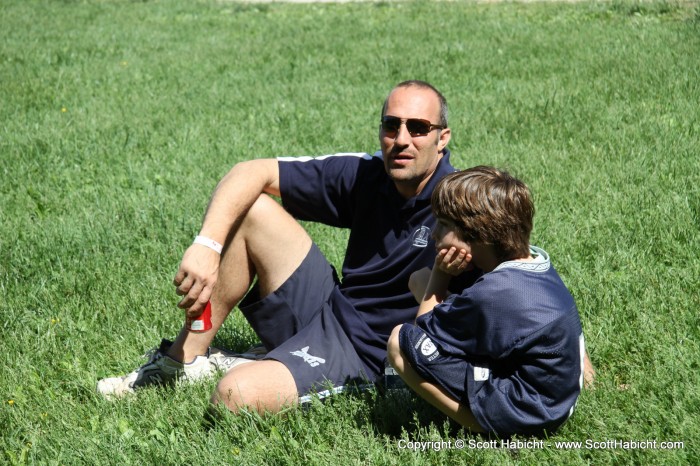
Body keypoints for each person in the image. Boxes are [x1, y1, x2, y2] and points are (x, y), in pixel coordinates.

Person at [97, 80, 482, 412]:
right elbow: (250, 171)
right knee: (252, 209)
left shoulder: (462, 204)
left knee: (234, 397)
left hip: (369, 355)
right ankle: (182, 360)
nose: (401, 140)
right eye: (391, 125)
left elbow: (520, 270)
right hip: (332, 307)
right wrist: (206, 246)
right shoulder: (368, 174)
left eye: (417, 128)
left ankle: (250, 367)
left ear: (442, 137)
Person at [387, 166, 586, 436]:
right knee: (426, 293)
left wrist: (438, 277)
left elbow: (420, 335)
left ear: (476, 234)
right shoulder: (537, 264)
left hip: (528, 415)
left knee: (400, 342)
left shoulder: (494, 293)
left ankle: (481, 427)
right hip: (555, 402)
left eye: (443, 224)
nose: (434, 233)